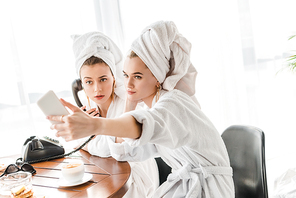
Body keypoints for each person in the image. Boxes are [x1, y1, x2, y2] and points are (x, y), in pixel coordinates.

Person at [48, 21, 235, 197]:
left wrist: (95, 125)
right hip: (186, 185)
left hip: (211, 190)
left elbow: (145, 125)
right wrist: (130, 104)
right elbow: (129, 151)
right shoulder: (151, 105)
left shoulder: (173, 104)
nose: (127, 83)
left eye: (137, 76)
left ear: (157, 77)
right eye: (126, 75)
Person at [69, 32, 159, 197]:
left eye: (103, 79)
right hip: (107, 173)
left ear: (114, 77)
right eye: (89, 82)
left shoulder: (131, 103)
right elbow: (76, 141)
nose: (97, 89)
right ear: (81, 84)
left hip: (136, 176)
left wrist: (88, 140)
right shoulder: (88, 110)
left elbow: (110, 148)